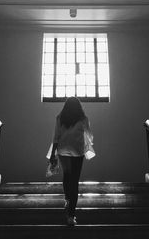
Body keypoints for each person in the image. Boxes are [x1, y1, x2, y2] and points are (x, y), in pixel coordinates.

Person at [48, 97, 95, 226]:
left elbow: (56, 137)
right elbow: (89, 134)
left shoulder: (60, 118)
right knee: (74, 181)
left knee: (67, 176)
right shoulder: (83, 119)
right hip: (77, 151)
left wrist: (53, 154)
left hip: (63, 150)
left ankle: (67, 198)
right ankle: (71, 216)